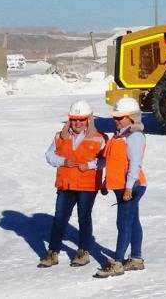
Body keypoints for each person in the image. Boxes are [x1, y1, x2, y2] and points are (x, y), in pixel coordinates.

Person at [39, 100, 106, 268]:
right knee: (59, 219)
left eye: (81, 119)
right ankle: (53, 252)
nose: (77, 123)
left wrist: (89, 165)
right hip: (66, 184)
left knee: (84, 218)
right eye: (74, 119)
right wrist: (62, 161)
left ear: (88, 120)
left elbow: (104, 160)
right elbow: (49, 155)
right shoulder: (60, 136)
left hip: (87, 186)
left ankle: (83, 251)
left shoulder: (99, 137)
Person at [95, 96, 148, 278]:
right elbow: (113, 163)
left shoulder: (134, 137)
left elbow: (134, 165)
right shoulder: (119, 136)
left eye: (120, 117)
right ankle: (136, 258)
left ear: (131, 117)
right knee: (132, 221)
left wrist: (128, 188)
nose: (116, 120)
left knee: (123, 223)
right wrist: (105, 183)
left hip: (132, 186)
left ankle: (117, 262)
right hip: (122, 186)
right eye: (115, 117)